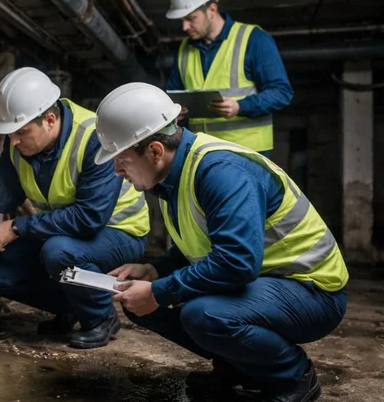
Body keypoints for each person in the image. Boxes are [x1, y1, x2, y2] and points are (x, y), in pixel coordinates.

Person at [94, 82, 348, 402]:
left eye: (122, 159)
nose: (117, 171)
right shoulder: (173, 176)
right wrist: (154, 271)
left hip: (312, 292)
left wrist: (158, 291)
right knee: (140, 305)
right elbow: (201, 244)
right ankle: (241, 367)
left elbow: (236, 263)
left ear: (155, 150)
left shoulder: (220, 172)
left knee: (203, 313)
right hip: (265, 283)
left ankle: (293, 377)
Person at [0, 67, 150, 349]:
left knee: (57, 252)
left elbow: (89, 219)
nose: (14, 141)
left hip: (118, 232)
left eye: (21, 132)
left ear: (49, 120)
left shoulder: (94, 137)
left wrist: (18, 226)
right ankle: (73, 307)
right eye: (10, 134)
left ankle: (101, 318)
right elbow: (10, 195)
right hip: (61, 232)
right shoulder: (17, 142)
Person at [166, 0, 293, 155]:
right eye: (182, 20)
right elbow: (174, 96)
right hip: (202, 152)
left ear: (212, 10)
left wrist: (240, 106)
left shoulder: (254, 39)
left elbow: (281, 92)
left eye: (191, 18)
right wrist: (175, 110)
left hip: (248, 153)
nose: (184, 27)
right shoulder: (184, 49)